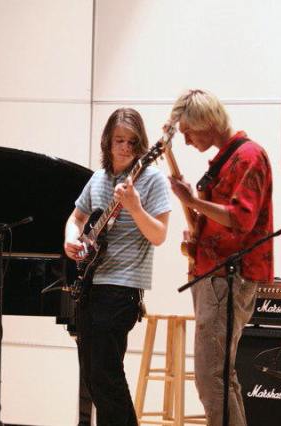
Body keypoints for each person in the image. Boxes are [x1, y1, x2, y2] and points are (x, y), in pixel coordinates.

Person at [168, 89, 273, 426]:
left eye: (189, 132)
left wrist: (193, 201)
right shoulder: (228, 159)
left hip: (228, 276)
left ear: (207, 122)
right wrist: (198, 228)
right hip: (213, 276)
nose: (186, 141)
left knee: (210, 377)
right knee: (220, 376)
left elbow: (241, 219)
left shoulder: (249, 156)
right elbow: (222, 219)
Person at [64, 108, 171, 425]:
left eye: (132, 142)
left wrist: (135, 207)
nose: (125, 147)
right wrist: (71, 238)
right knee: (93, 375)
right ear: (107, 143)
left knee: (106, 374)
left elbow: (159, 235)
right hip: (90, 285)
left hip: (122, 288)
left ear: (142, 145)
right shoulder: (98, 179)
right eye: (119, 140)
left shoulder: (152, 180)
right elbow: (76, 217)